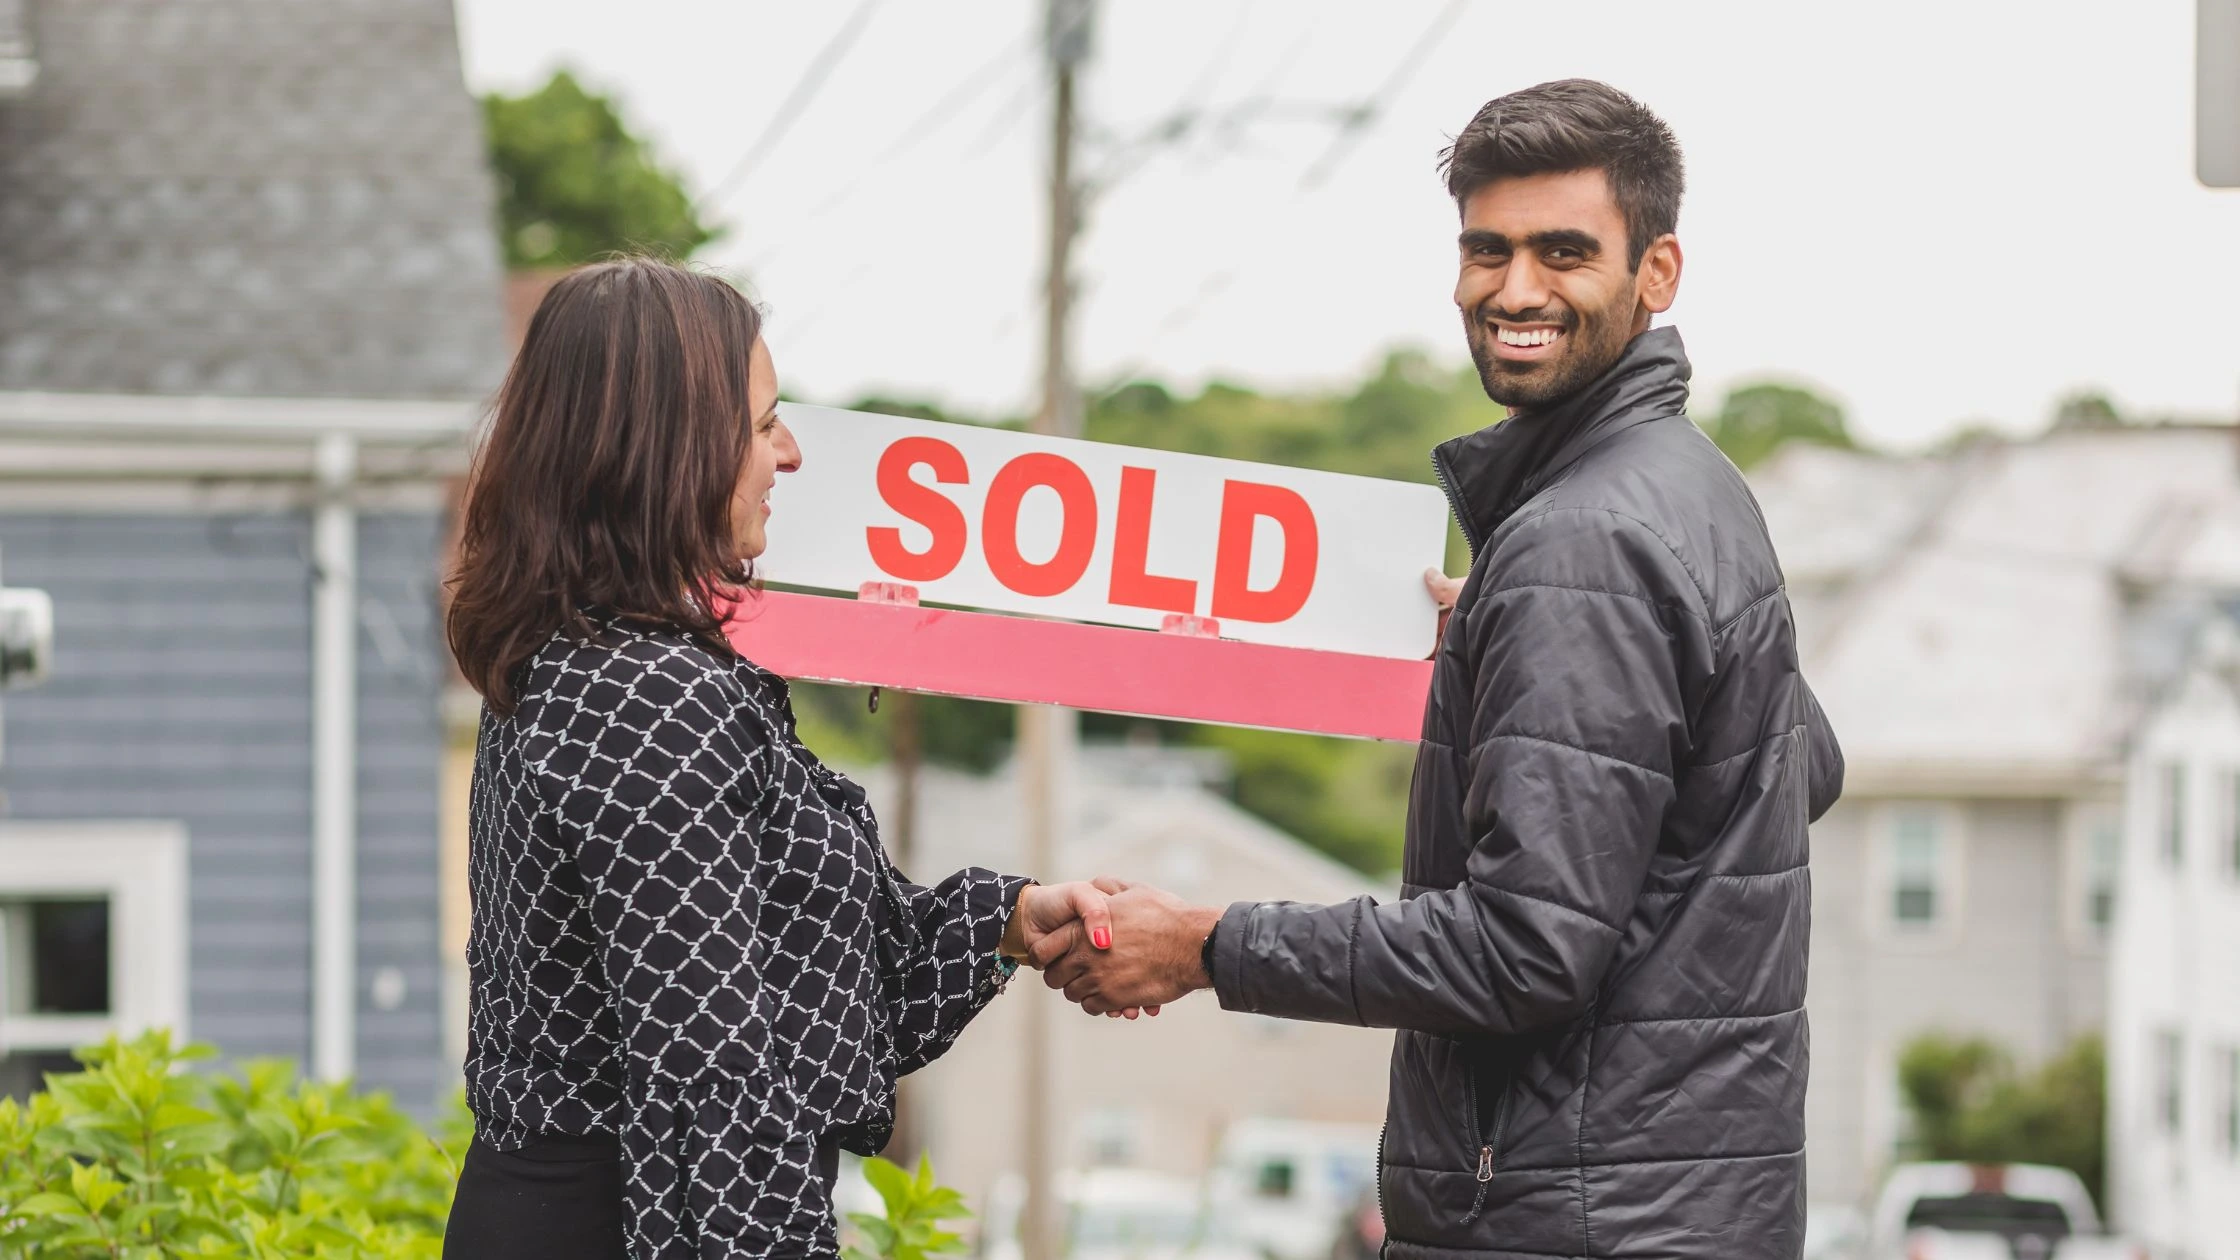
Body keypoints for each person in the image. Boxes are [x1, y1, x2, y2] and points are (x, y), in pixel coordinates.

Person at [1037, 80, 1845, 1260]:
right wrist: (1547, 649)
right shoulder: (1689, 485)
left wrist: (1205, 944)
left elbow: (1525, 951)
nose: (1514, 290)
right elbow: (1797, 764)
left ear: (1655, 273)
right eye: (1487, 251)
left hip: (1569, 1222)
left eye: (1563, 252)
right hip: (1678, 1211)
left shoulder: (1585, 540)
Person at [440, 258, 1129, 1260]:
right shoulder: (646, 699)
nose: (790, 453)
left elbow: (804, 994)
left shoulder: (606, 662)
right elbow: (716, 1094)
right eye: (763, 424)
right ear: (664, 449)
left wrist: (1011, 923)